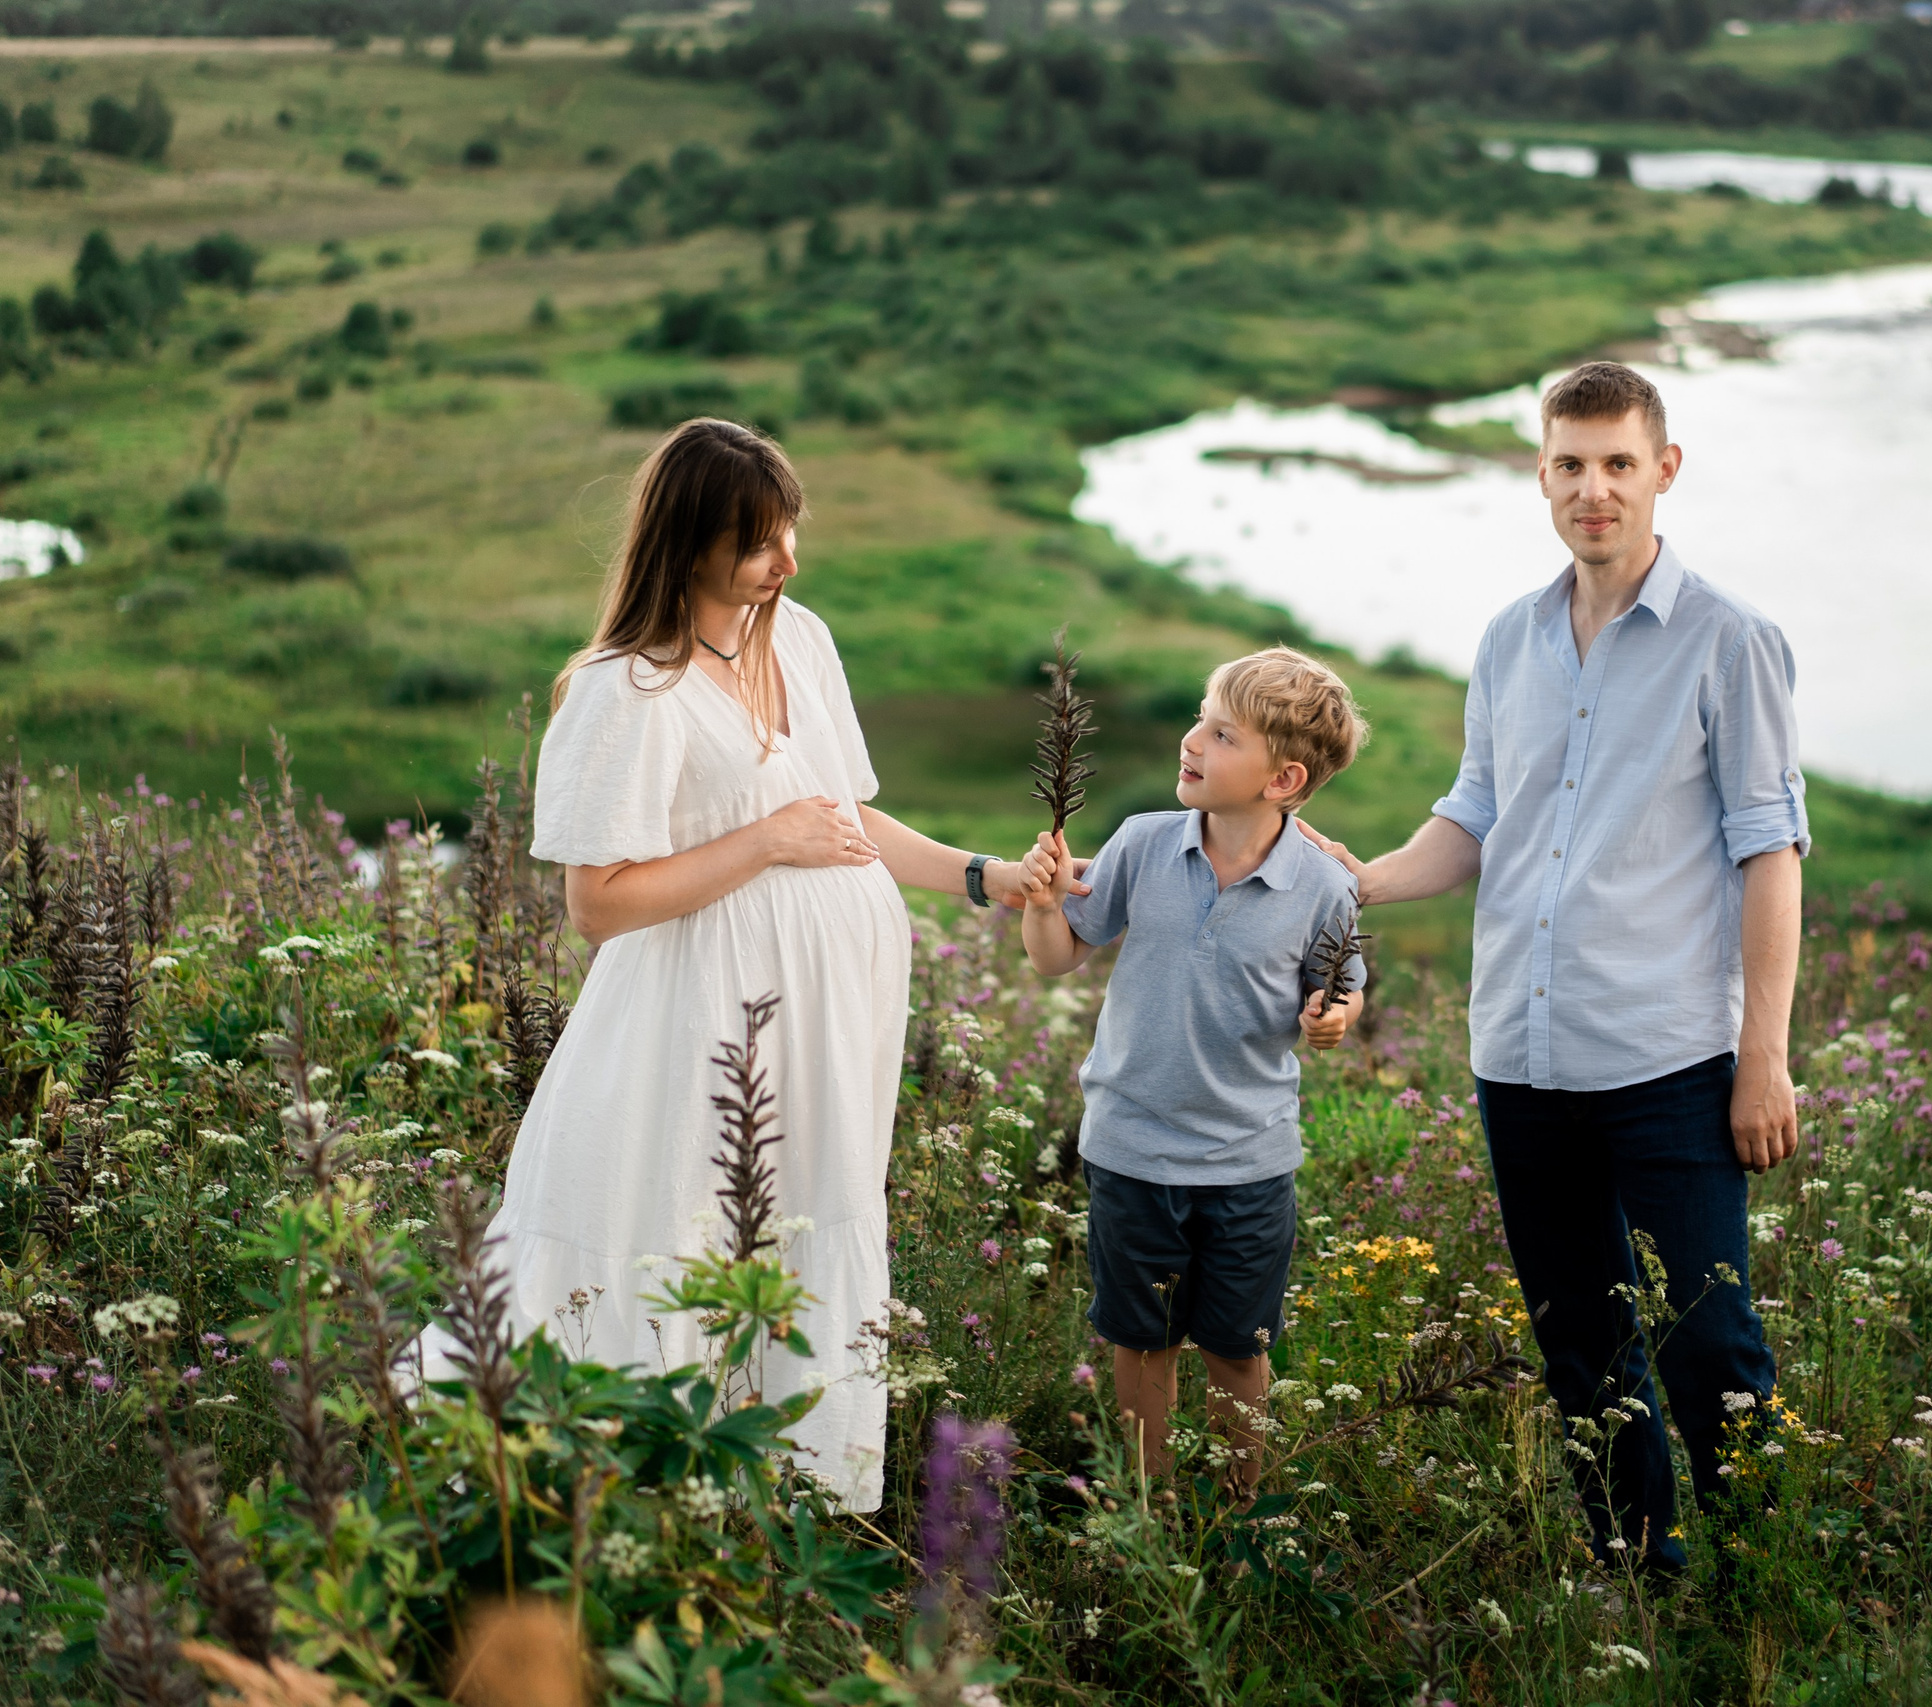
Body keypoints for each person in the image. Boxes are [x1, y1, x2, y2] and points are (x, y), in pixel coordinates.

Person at [420, 418, 1057, 1511]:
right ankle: (630, 1481)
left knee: (799, 1216)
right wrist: (763, 841)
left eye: (790, 532)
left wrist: (983, 874)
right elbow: (597, 902)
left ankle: (785, 1483)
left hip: (827, 1018)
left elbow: (846, 816)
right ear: (690, 541)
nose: (787, 563)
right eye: (760, 543)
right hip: (701, 1011)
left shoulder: (797, 636)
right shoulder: (626, 688)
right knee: (683, 1213)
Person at [1295, 362, 1808, 1577]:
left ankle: (1768, 1586)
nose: (1594, 490)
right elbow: (1475, 817)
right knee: (1580, 1342)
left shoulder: (1730, 641)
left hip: (1668, 1059)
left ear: (1662, 470)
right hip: (1521, 1061)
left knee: (1709, 1342)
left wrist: (1764, 1059)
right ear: (1540, 473)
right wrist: (1362, 880)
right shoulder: (1509, 639)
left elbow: (1770, 853)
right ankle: (1638, 1571)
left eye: (1618, 464)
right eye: (1570, 465)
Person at [1014, 648, 1369, 1494]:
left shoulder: (1324, 886)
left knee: (1237, 1347)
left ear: (1283, 779)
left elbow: (1343, 989)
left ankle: (1237, 1507)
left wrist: (1334, 1017)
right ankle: (1150, 1503)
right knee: (1143, 1340)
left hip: (1249, 1161)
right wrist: (1042, 903)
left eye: (1222, 734)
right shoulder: (1142, 842)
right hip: (1131, 1147)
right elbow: (1058, 956)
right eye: (1200, 721)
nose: (1192, 740)